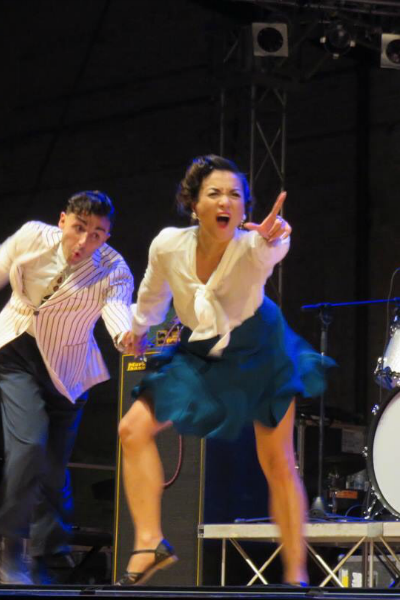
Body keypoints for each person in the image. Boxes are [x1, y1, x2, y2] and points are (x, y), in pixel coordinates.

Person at [117, 155, 333, 586]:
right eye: (214, 193)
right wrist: (137, 330)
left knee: (277, 460)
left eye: (235, 195)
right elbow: (153, 293)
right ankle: (150, 542)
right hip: (204, 350)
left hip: (261, 348)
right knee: (132, 430)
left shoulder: (251, 247)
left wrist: (276, 235)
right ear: (193, 203)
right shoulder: (168, 245)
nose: (226, 202)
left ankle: (296, 578)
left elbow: (271, 247)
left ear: (244, 209)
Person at [0, 191, 134, 584]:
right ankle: (12, 550)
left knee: (53, 470)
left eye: (97, 234)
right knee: (30, 445)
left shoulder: (113, 268)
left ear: (107, 236)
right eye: (79, 228)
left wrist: (125, 336)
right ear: (63, 220)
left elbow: (117, 308)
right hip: (17, 350)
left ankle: (47, 556)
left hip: (68, 368)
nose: (85, 241)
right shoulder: (34, 237)